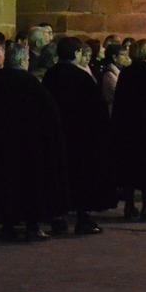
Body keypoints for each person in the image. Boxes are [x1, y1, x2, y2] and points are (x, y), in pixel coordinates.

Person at [0, 40, 68, 241]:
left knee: (6, 185)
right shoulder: (31, 84)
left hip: (2, 146)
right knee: (30, 188)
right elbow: (49, 116)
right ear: (24, 60)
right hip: (29, 148)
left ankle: (8, 225)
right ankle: (32, 226)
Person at [43, 36, 115, 234]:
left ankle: (58, 218)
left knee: (60, 176)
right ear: (76, 53)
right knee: (81, 178)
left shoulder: (51, 75)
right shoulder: (82, 78)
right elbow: (96, 110)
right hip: (81, 137)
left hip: (58, 135)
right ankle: (83, 218)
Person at [110, 39, 146, 220]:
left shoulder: (126, 74)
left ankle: (129, 206)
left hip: (128, 127)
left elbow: (120, 102)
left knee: (129, 169)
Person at [102, 40, 129, 112]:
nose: (127, 58)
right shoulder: (109, 75)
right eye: (123, 55)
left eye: (127, 55)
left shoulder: (123, 70)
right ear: (114, 57)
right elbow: (120, 93)